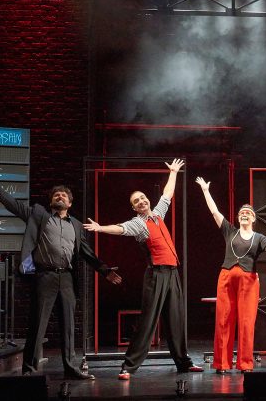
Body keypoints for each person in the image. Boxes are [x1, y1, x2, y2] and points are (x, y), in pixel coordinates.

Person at [0, 159, 122, 380]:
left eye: (64, 195)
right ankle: (30, 370)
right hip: (44, 276)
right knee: (38, 325)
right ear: (51, 200)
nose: (60, 196)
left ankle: (70, 368)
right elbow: (12, 204)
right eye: (56, 195)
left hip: (66, 278)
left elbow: (86, 253)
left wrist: (104, 271)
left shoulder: (75, 225)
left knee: (68, 327)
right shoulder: (38, 214)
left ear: (70, 203)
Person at [82, 159, 203, 380]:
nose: (141, 201)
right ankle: (128, 366)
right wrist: (100, 228)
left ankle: (184, 363)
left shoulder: (157, 215)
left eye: (143, 198)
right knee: (148, 321)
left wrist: (174, 172)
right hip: (156, 275)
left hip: (172, 273)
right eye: (136, 201)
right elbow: (120, 229)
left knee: (176, 319)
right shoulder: (138, 223)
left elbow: (167, 194)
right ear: (134, 207)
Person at [196, 177, 266, 373]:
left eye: (248, 213)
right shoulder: (230, 231)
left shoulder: (259, 238)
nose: (244, 215)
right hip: (226, 278)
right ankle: (222, 364)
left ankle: (245, 364)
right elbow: (214, 211)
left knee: (246, 322)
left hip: (249, 280)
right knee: (223, 320)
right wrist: (206, 190)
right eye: (241, 213)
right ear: (238, 218)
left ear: (254, 219)